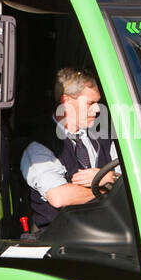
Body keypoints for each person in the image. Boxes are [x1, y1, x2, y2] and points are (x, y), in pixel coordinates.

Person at [21, 68, 118, 232]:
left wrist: (111, 176)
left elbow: (131, 180)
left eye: (97, 102)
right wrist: (107, 188)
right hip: (62, 242)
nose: (97, 109)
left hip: (109, 232)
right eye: (90, 103)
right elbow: (60, 197)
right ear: (66, 101)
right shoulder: (40, 148)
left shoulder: (105, 137)